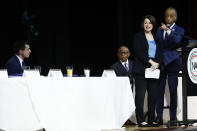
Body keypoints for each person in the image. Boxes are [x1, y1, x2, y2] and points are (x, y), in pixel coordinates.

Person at [155, 7, 184, 125]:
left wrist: (168, 31)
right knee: (159, 91)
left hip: (172, 63)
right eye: (166, 16)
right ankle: (159, 116)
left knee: (173, 91)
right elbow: (157, 45)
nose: (168, 18)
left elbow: (177, 41)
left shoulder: (179, 30)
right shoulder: (159, 30)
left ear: (175, 18)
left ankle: (173, 117)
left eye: (171, 16)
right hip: (161, 63)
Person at [132, 15, 162, 127]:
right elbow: (138, 52)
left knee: (153, 97)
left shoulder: (156, 38)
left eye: (150, 23)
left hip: (153, 70)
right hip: (141, 70)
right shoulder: (138, 36)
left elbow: (160, 53)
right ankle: (140, 120)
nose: (147, 25)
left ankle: (151, 119)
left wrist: (157, 63)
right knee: (140, 96)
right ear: (142, 24)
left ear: (153, 25)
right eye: (145, 23)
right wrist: (150, 61)